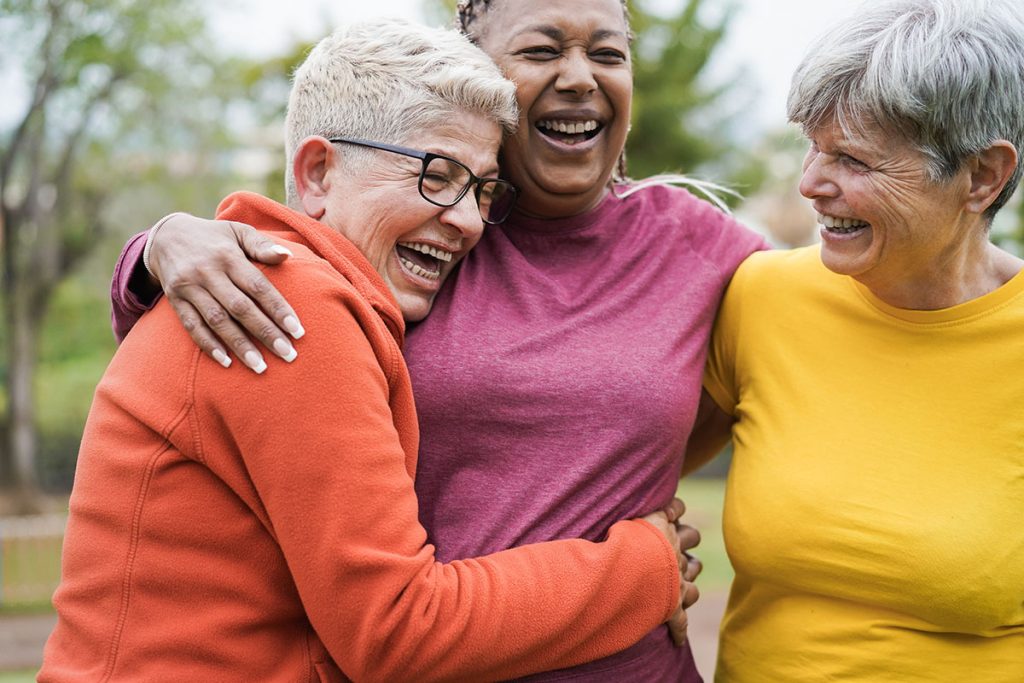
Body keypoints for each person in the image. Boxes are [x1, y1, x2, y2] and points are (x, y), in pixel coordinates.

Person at [108, 1, 767, 680]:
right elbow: (226, 350)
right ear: (483, 74)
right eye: (542, 52)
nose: (578, 77)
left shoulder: (696, 247)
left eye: (607, 54)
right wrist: (157, 249)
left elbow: (820, 334)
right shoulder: (414, 234)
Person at [685, 0, 1024, 679]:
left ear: (982, 177)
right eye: (810, 146)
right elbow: (623, 472)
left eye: (853, 159)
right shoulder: (761, 296)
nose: (810, 183)